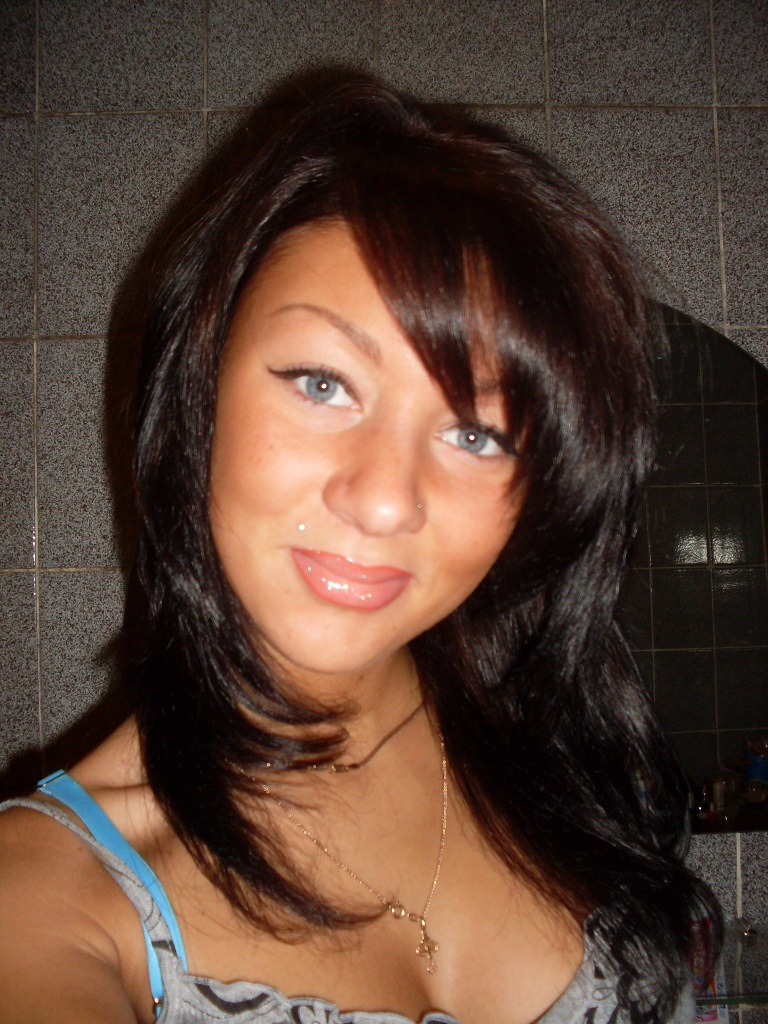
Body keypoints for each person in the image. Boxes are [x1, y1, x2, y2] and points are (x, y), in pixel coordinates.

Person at [0, 79, 718, 1024]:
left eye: (476, 434)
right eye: (322, 383)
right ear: (201, 387)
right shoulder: (47, 899)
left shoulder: (564, 759)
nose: (383, 500)